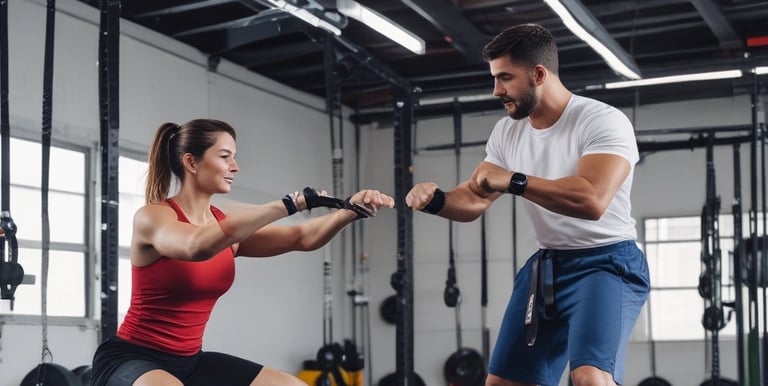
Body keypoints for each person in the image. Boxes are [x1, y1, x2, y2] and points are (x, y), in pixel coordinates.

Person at [405, 24, 649, 386]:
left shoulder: (601, 120)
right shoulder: (507, 131)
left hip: (606, 263)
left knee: (589, 379)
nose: (496, 90)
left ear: (538, 74)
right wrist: (436, 200)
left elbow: (592, 199)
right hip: (547, 268)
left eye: (505, 78)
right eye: (494, 78)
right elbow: (474, 197)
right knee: (503, 383)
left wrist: (515, 180)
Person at [90, 119, 395, 386]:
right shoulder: (154, 217)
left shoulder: (224, 226)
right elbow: (195, 246)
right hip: (132, 360)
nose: (235, 167)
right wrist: (290, 204)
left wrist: (351, 210)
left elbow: (303, 236)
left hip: (190, 362)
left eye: (234, 157)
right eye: (225, 157)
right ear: (191, 162)